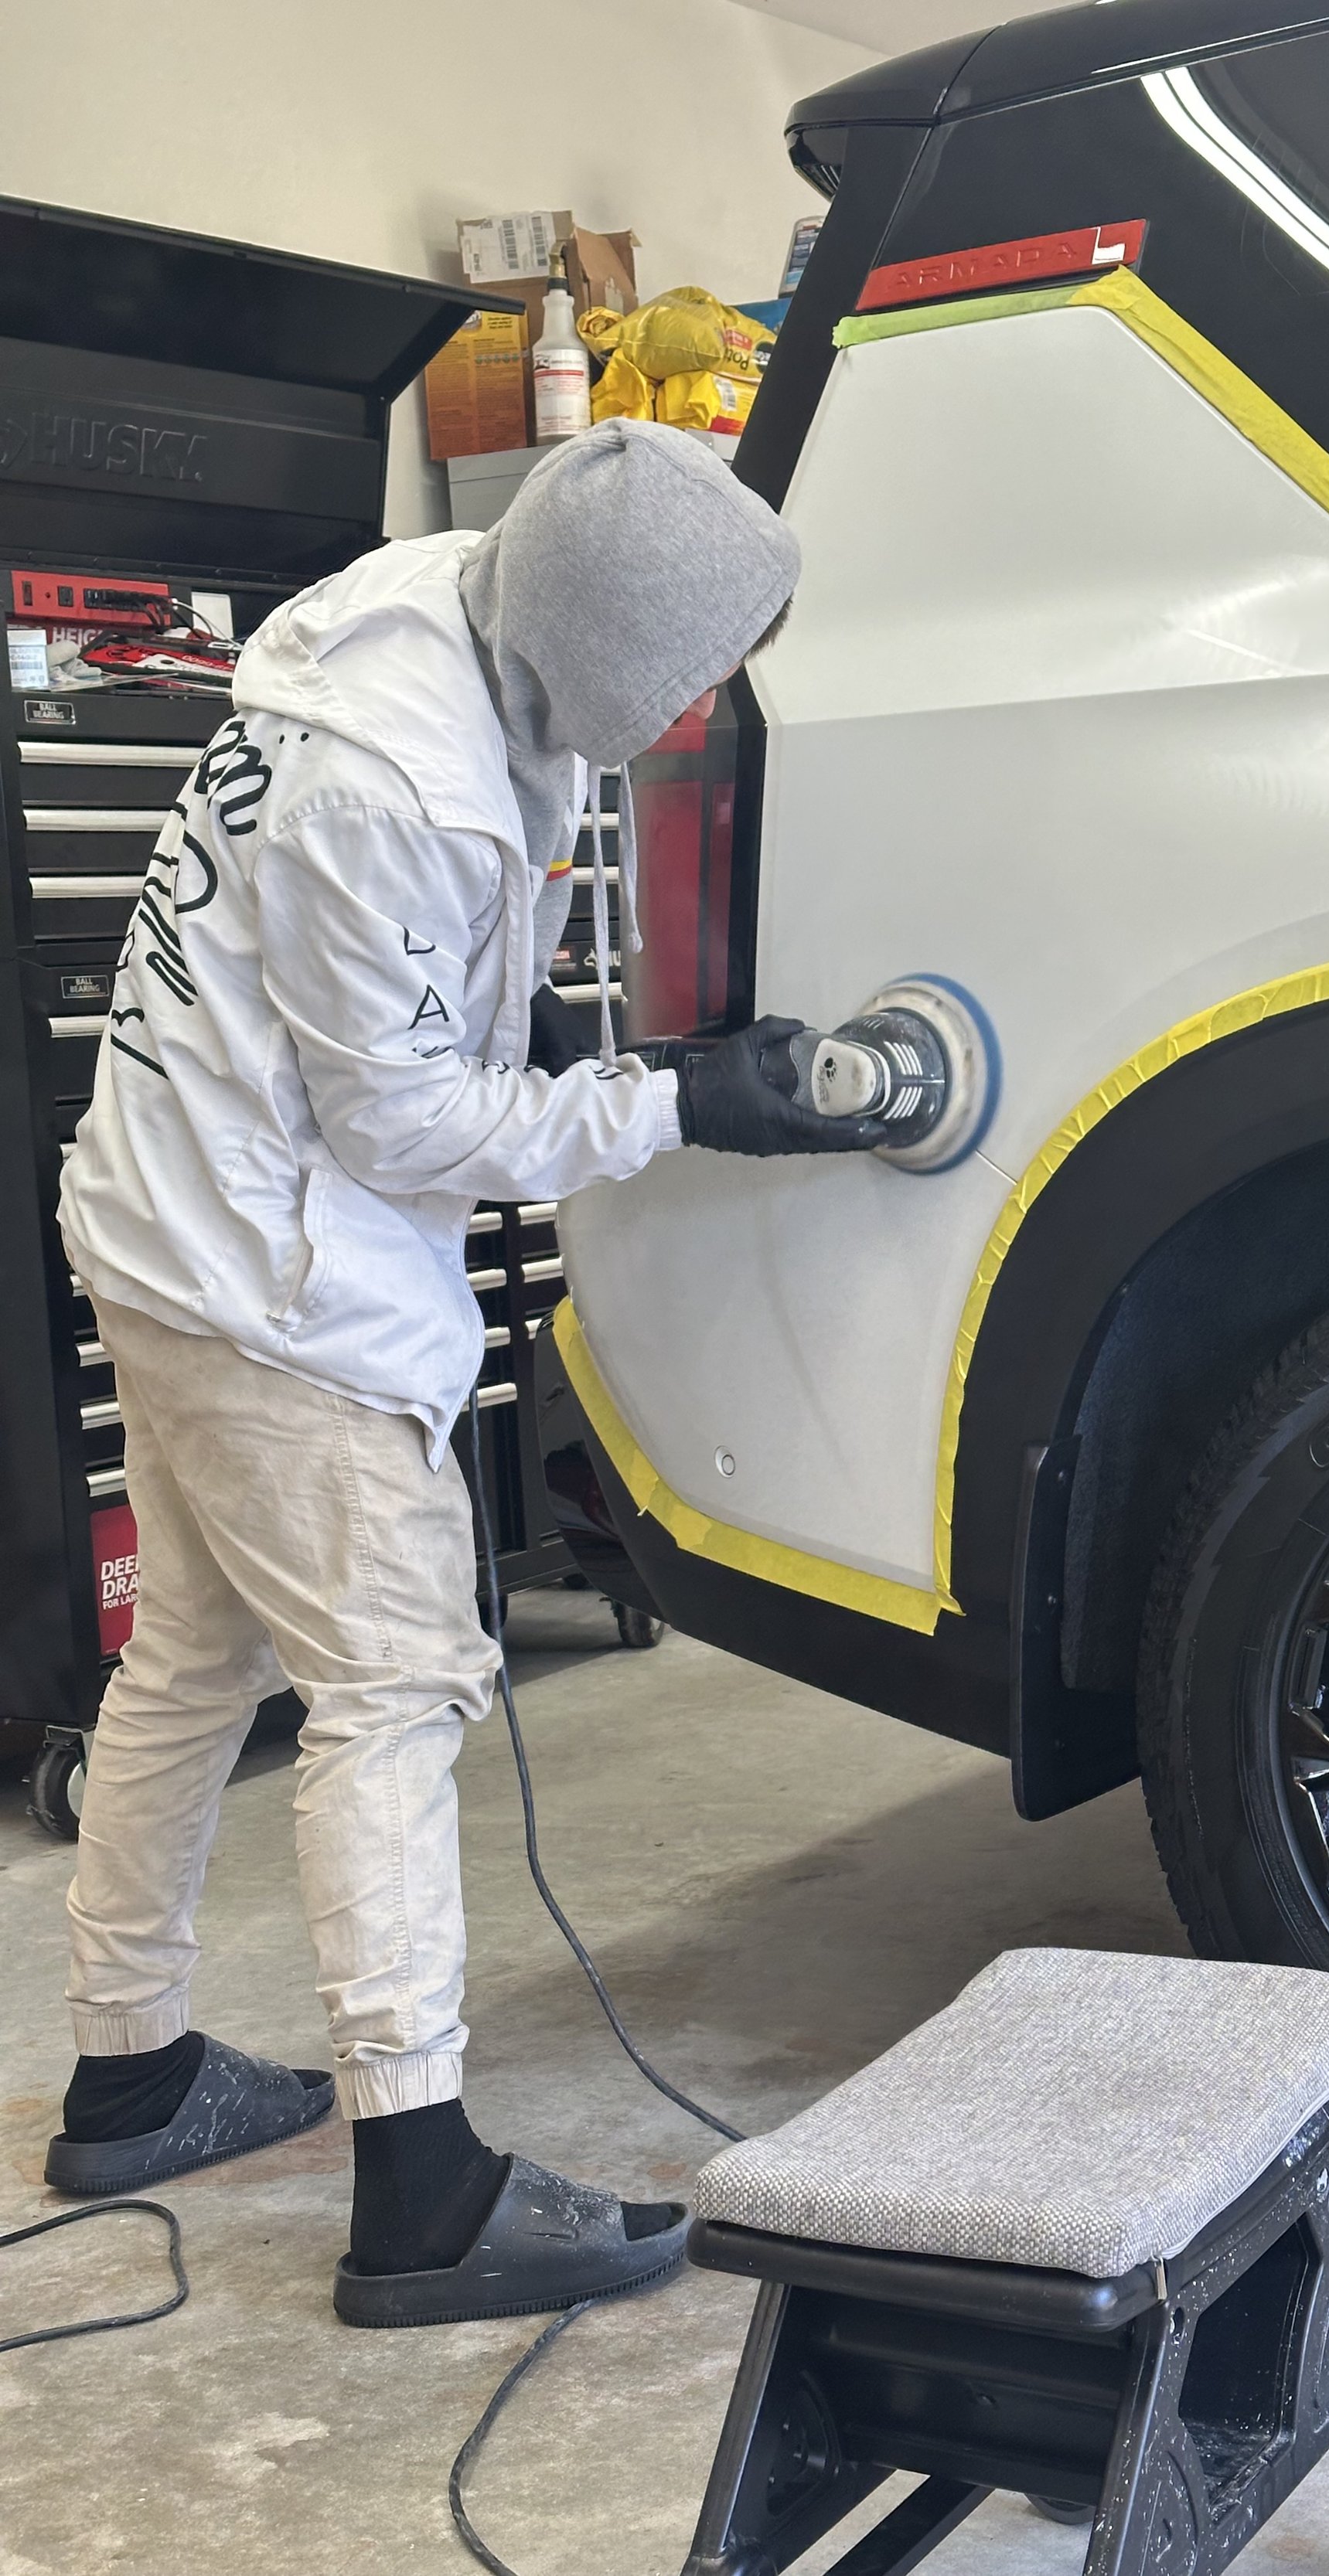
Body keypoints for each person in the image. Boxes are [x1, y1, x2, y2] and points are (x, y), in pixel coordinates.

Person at [48, 421, 873, 2329]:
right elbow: (406, 1121)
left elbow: (414, 981)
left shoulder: (422, 604)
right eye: (688, 671)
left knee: (192, 1658)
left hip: (161, 1213)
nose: (699, 705)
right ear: (605, 649)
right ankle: (420, 2186)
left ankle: (128, 2072)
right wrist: (671, 1102)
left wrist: (568, 1032)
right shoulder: (392, 785)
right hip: (267, 1280)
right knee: (395, 1684)